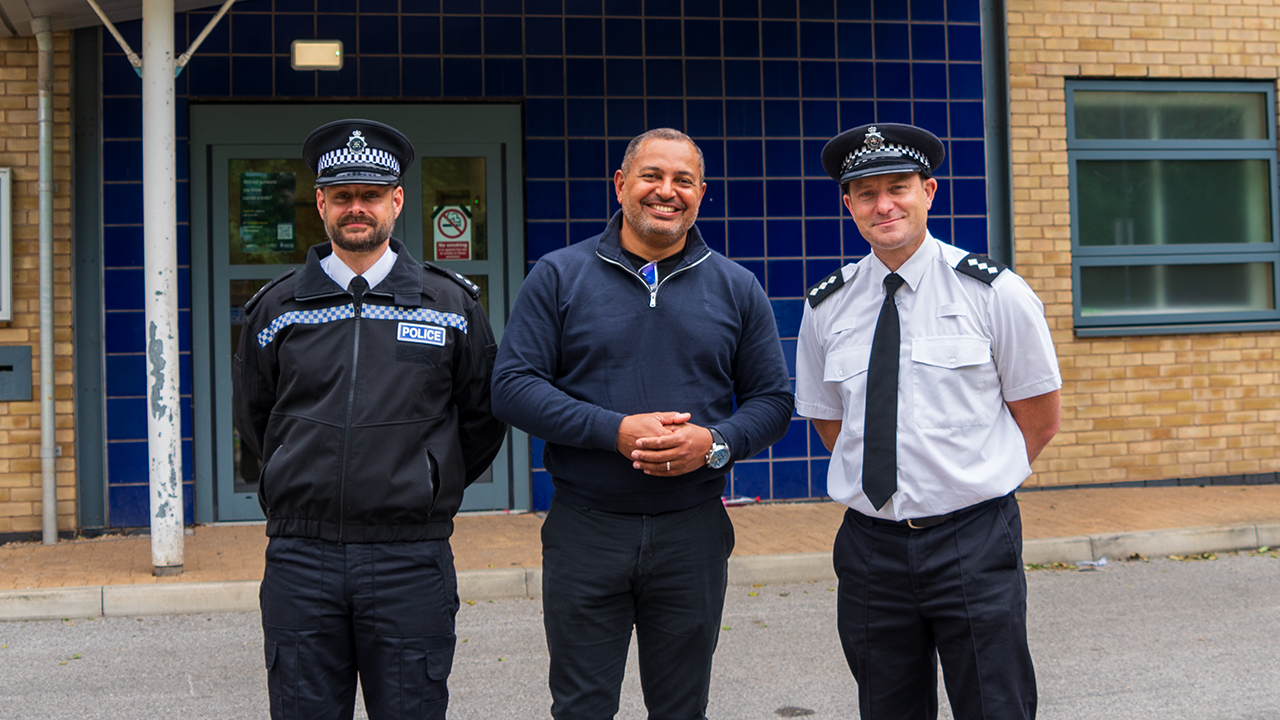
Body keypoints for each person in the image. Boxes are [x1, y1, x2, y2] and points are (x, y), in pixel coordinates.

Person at [491, 127, 794, 720]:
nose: (666, 191)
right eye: (652, 176)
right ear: (621, 184)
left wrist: (715, 443)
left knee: (681, 708)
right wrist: (615, 430)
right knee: (581, 706)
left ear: (701, 193)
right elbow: (512, 387)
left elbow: (772, 400)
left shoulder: (738, 288)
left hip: (693, 532)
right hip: (586, 530)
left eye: (683, 180)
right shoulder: (559, 276)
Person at [233, 118, 507, 720]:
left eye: (372, 195)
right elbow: (257, 419)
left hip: (411, 558)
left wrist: (429, 478)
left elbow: (480, 420)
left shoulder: (451, 304)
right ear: (321, 203)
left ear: (397, 200)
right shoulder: (276, 307)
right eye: (343, 196)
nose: (357, 208)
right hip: (301, 560)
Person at [794, 123, 1061, 720]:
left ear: (929, 192)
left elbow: (1038, 420)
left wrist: (966, 482)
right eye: (866, 193)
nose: (883, 204)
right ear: (849, 205)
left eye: (898, 187)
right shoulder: (826, 306)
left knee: (996, 706)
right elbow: (833, 424)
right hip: (870, 547)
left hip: (973, 538)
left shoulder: (995, 293)